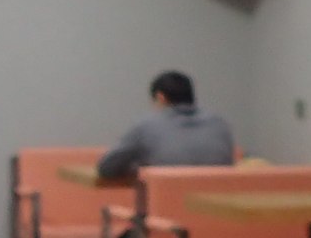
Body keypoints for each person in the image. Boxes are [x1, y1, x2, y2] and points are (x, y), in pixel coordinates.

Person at [96, 70, 236, 182]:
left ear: (160, 97)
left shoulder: (147, 126)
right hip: (218, 207)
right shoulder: (219, 124)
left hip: (164, 207)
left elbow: (107, 168)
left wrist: (139, 168)